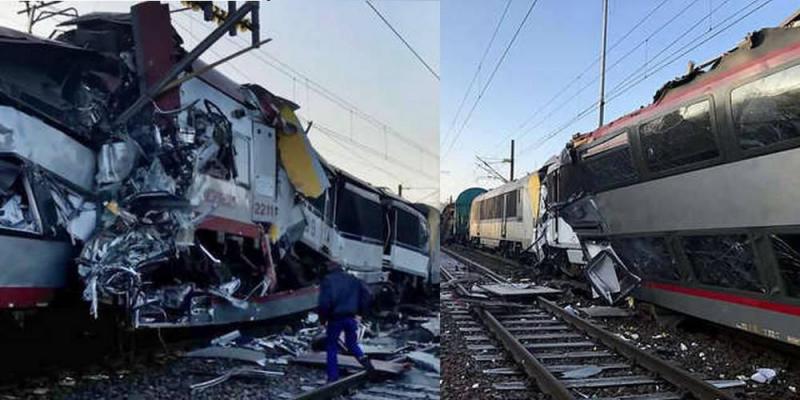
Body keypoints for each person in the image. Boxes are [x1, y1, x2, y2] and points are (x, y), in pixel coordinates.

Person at [317, 259, 375, 382]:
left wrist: (323, 320)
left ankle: (332, 377)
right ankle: (365, 362)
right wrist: (360, 312)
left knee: (331, 346)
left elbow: (324, 303)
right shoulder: (353, 279)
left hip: (335, 319)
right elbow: (367, 294)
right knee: (352, 344)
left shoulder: (328, 280)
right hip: (350, 318)